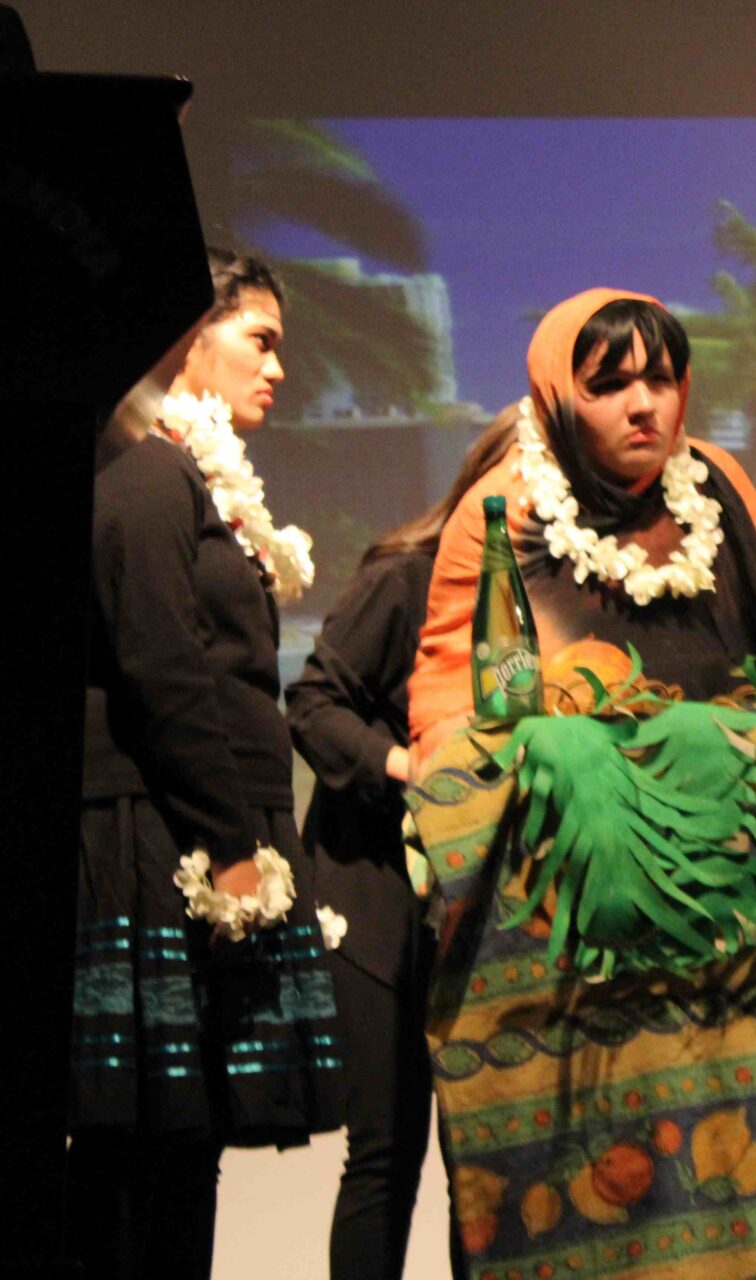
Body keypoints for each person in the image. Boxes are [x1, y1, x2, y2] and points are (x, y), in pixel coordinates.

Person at [71, 249, 341, 1280]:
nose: (278, 368)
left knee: (184, 1143)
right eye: (258, 340)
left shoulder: (190, 477)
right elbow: (160, 665)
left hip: (202, 822)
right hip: (162, 834)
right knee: (143, 1144)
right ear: (190, 335)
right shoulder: (146, 471)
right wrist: (232, 845)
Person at [286, 406, 519, 1280]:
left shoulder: (543, 599)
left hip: (476, 904)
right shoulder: (407, 577)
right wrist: (407, 766)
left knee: (480, 1166)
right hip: (376, 891)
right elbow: (313, 704)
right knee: (386, 1154)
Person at [409, 287, 756, 755]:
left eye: (659, 380)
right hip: (575, 791)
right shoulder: (503, 508)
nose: (643, 405)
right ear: (556, 397)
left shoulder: (717, 479)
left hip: (748, 772)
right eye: (610, 385)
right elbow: (452, 707)